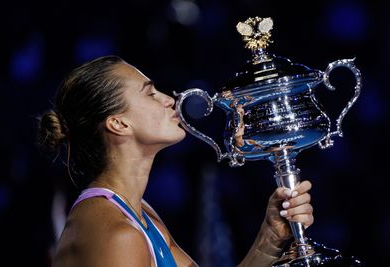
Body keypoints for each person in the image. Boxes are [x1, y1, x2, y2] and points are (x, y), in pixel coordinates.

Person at [37, 55, 313, 267]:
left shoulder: (139, 213)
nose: (170, 100)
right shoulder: (116, 234)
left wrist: (270, 238)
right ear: (118, 123)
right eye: (150, 93)